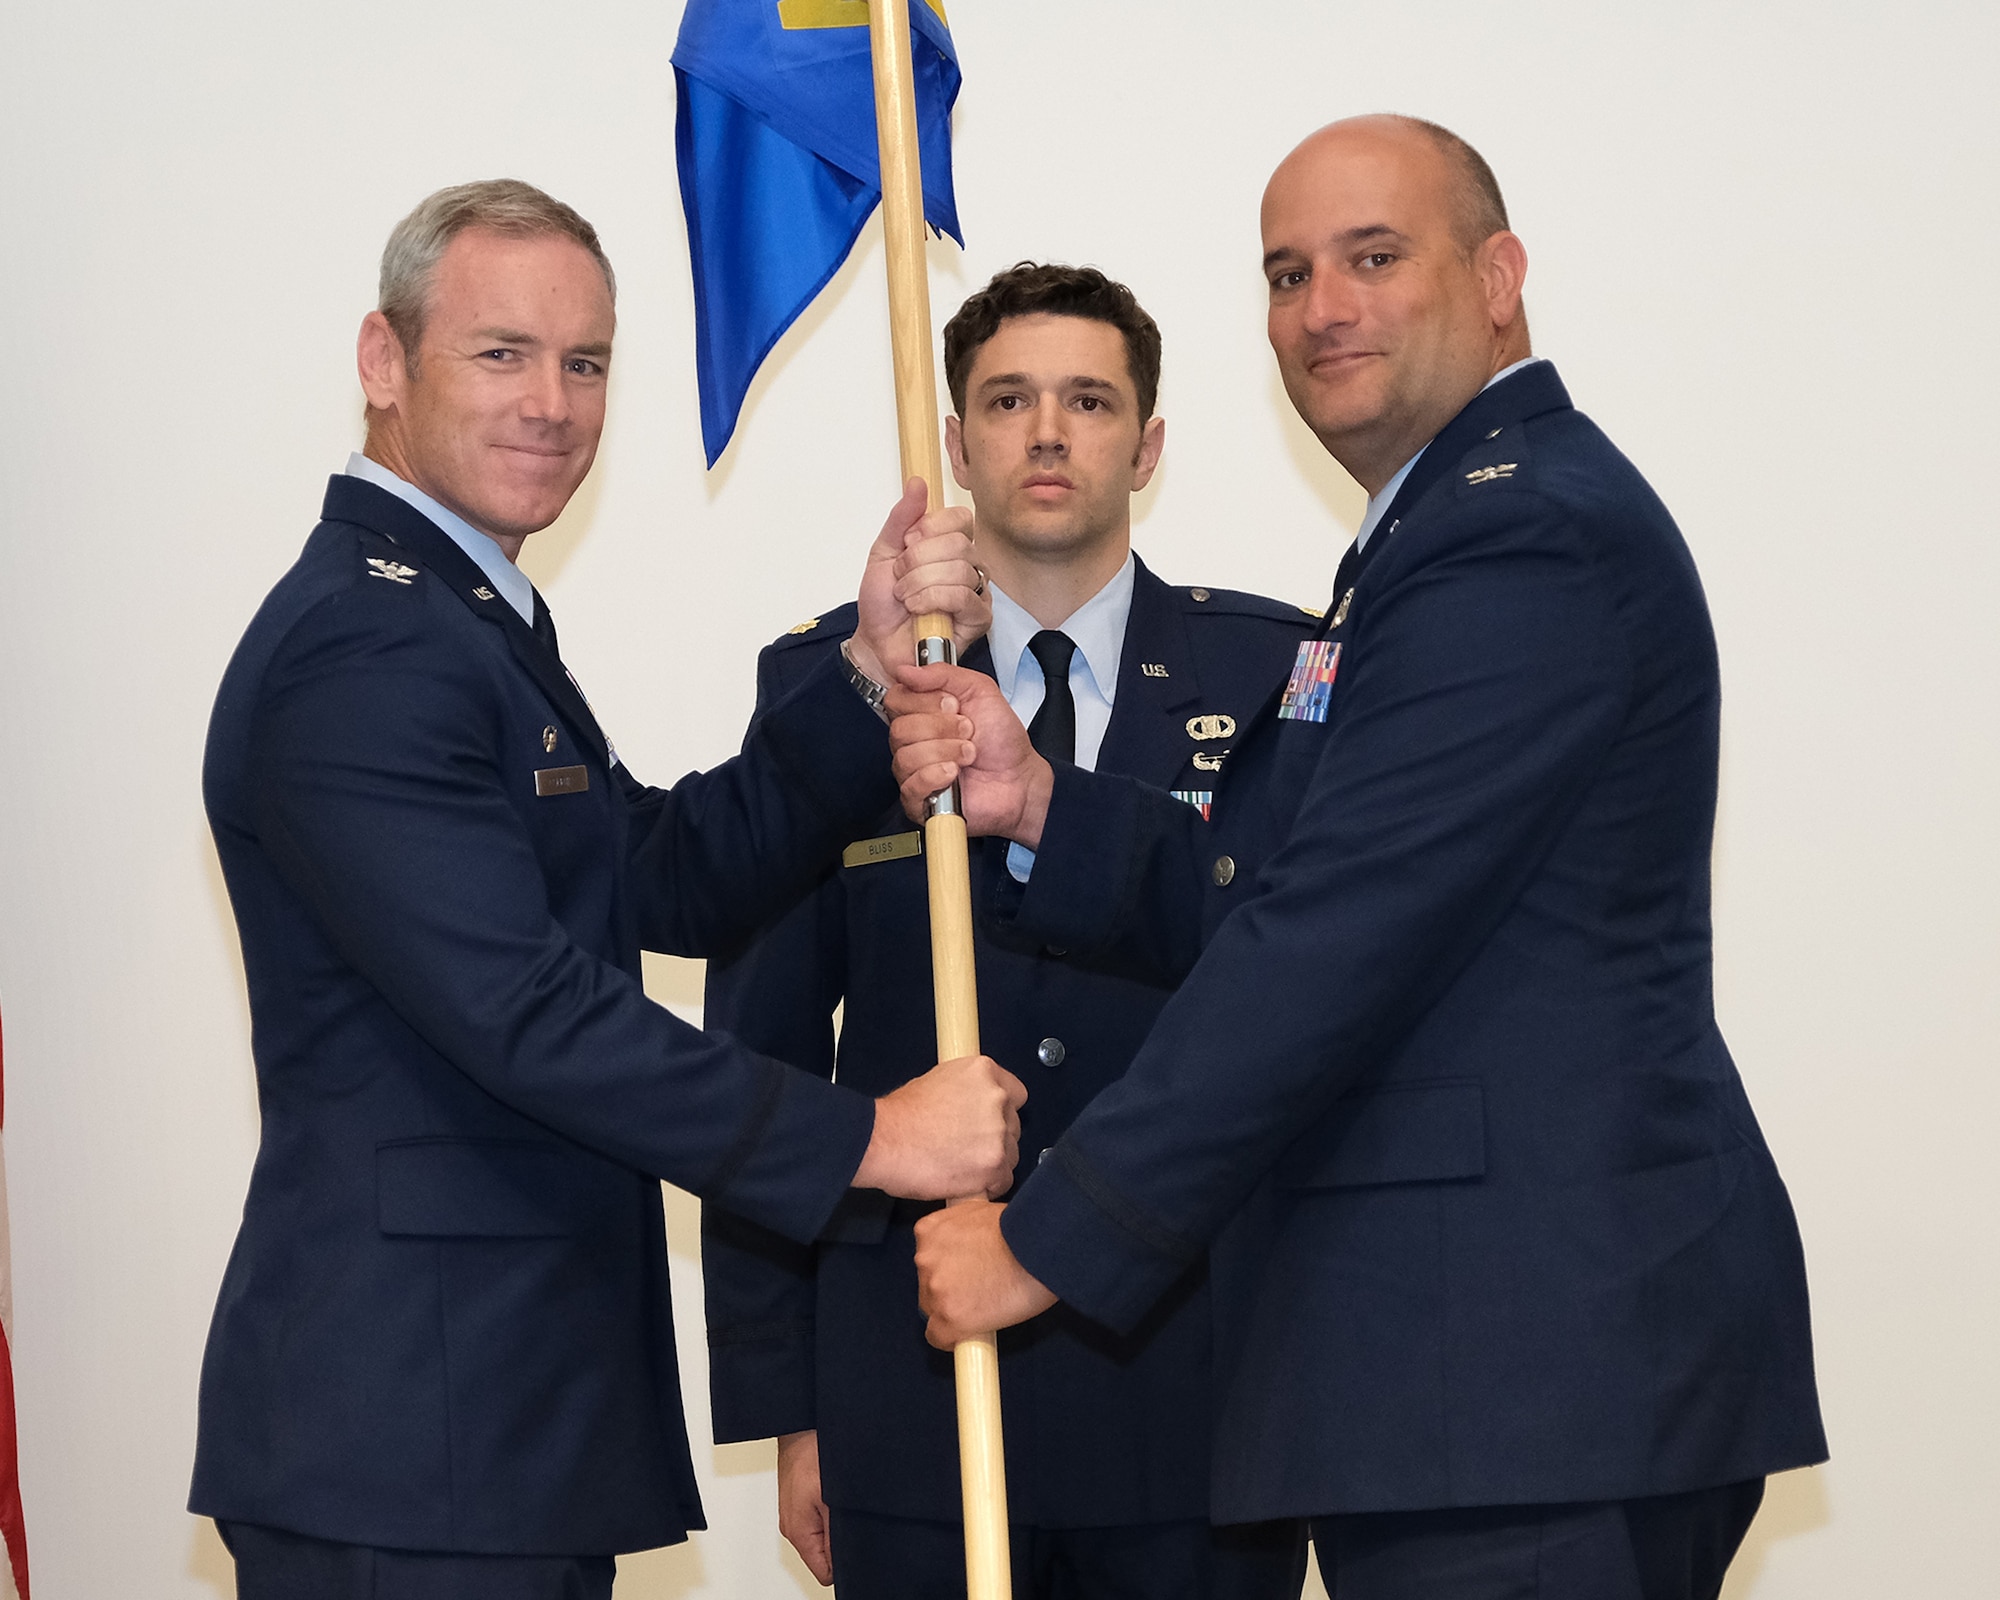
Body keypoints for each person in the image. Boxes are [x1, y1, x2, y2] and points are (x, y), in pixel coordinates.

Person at [893, 117, 1828, 1600]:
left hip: (1525, 1381)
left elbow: (1327, 940)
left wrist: (1054, 1239)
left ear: (1501, 274)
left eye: (1374, 258)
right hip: (1483, 1387)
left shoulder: (1519, 538)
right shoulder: (1441, 536)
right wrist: (1045, 808)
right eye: (1287, 272)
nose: (1322, 307)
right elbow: (1270, 879)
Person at [188, 178, 1024, 1600]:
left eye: (585, 363)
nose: (552, 404)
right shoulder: (370, 646)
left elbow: (658, 876)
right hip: (418, 1434)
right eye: (499, 353)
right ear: (383, 364)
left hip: (486, 1426)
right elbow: (529, 1008)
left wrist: (872, 671)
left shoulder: (459, 622)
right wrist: (869, 1139)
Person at [701, 263, 1313, 1599]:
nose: (1048, 433)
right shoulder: (840, 687)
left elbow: (1306, 999)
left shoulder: (1274, 676)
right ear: (960, 441)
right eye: (1009, 400)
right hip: (913, 1386)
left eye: (1089, 401)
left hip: (1195, 1386)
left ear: (1146, 448)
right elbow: (766, 1055)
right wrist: (792, 1403)